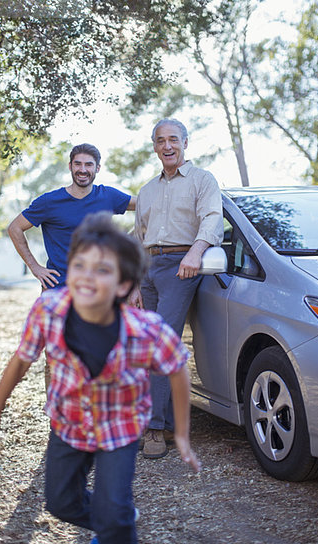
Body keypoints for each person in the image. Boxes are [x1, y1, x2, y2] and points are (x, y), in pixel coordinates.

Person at [0, 212, 200, 544]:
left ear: (124, 284)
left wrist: (181, 433)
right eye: (80, 266)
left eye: (102, 270)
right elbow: (22, 359)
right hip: (69, 423)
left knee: (114, 517)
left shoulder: (145, 330)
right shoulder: (49, 311)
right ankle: (115, 517)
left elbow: (177, 368)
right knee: (61, 502)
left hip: (120, 424)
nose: (86, 277)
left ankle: (116, 524)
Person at [131, 118, 223, 460]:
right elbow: (139, 237)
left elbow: (212, 218)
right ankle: (166, 424)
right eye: (160, 141)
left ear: (185, 142)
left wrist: (196, 253)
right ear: (154, 146)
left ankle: (153, 428)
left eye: (173, 139)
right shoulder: (147, 191)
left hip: (182, 267)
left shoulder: (203, 180)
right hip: (149, 270)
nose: (167, 146)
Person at [8, 143, 136, 290]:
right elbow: (15, 228)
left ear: (97, 168)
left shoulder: (109, 196)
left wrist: (131, 239)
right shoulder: (49, 201)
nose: (83, 170)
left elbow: (147, 205)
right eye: (78, 164)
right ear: (70, 166)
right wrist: (35, 268)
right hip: (58, 288)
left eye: (88, 165)